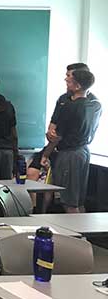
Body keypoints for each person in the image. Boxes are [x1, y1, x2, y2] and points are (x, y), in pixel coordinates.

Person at [45, 69, 102, 213]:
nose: (66, 81)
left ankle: (78, 236)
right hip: (83, 151)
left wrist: (46, 155)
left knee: (69, 201)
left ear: (77, 86)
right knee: (78, 200)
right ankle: (84, 233)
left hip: (69, 154)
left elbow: (57, 136)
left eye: (69, 80)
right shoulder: (94, 105)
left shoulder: (70, 107)